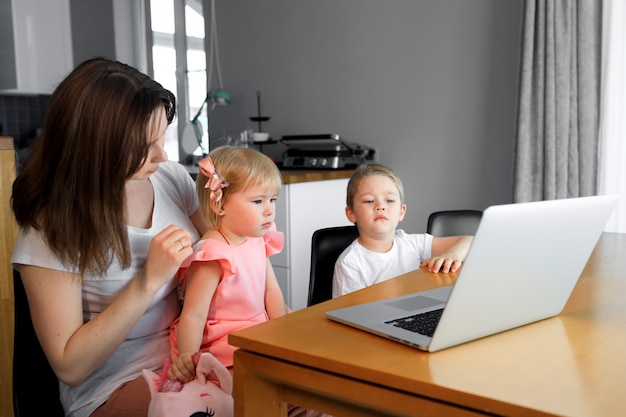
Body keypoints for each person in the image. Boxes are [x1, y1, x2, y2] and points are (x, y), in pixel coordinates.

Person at [10, 58, 209, 417]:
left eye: (161, 137)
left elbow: (223, 254)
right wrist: (147, 280)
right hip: (117, 383)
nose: (162, 155)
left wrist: (238, 202)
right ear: (96, 146)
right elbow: (70, 367)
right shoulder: (51, 225)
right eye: (145, 145)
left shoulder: (171, 179)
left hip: (196, 352)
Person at [167, 146, 289, 383]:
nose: (269, 211)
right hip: (223, 343)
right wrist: (186, 356)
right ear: (219, 204)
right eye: (257, 201)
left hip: (256, 331)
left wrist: (281, 331)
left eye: (272, 200)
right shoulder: (212, 254)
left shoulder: (257, 238)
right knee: (260, 384)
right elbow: (193, 314)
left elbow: (271, 290)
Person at [333, 163, 473, 297]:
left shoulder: (411, 243)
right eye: (369, 201)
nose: (380, 206)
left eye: (389, 200)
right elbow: (346, 314)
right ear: (351, 213)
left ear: (401, 211)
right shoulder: (350, 263)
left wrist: (452, 255)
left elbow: (469, 241)